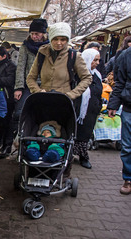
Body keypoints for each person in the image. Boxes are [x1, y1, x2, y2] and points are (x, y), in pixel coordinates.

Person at [26, 21, 92, 178]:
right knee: (38, 130)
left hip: (64, 104)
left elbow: (87, 78)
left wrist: (71, 94)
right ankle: (35, 162)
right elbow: (31, 78)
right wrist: (37, 91)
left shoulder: (74, 56)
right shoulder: (42, 54)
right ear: (50, 38)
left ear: (68, 40)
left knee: (65, 135)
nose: (59, 43)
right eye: (56, 39)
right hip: (43, 102)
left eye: (63, 39)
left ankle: (63, 167)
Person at [12, 18, 49, 141]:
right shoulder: (25, 46)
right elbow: (20, 68)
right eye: (32, 33)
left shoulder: (50, 46)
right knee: (19, 112)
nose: (34, 36)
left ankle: (38, 138)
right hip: (28, 85)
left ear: (43, 34)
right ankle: (19, 137)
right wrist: (19, 88)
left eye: (37, 34)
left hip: (45, 86)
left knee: (42, 113)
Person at [74, 48, 103, 169]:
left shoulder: (97, 74)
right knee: (76, 132)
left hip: (91, 111)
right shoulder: (78, 74)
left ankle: (83, 156)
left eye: (98, 60)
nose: (97, 63)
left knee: (86, 133)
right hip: (79, 110)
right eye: (95, 60)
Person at [107, 46, 131, 195]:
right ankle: (128, 179)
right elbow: (119, 82)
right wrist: (113, 104)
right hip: (129, 108)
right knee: (127, 147)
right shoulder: (126, 56)